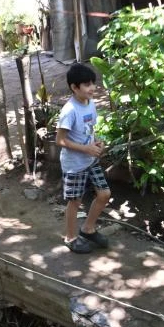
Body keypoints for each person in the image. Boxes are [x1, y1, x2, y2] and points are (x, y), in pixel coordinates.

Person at [56, 63, 112, 254]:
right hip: (74, 164)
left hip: (90, 159)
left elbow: (90, 130)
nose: (92, 88)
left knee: (104, 194)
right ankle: (70, 237)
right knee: (75, 201)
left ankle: (88, 229)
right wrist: (85, 149)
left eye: (93, 83)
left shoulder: (90, 103)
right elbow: (60, 140)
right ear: (74, 87)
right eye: (87, 84)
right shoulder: (69, 110)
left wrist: (97, 142)